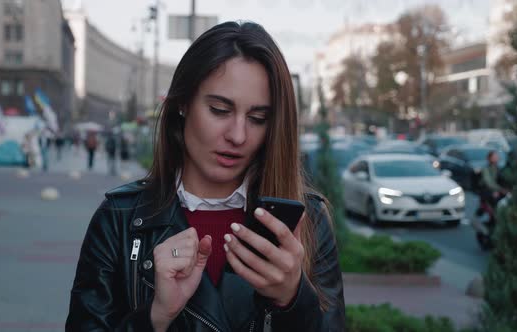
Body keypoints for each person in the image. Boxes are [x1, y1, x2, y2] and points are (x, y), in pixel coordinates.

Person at [66, 21, 345, 331]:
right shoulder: (119, 218)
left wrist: (294, 301)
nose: (238, 135)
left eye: (257, 118)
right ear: (183, 103)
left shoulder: (308, 220)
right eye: (219, 110)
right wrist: (155, 317)